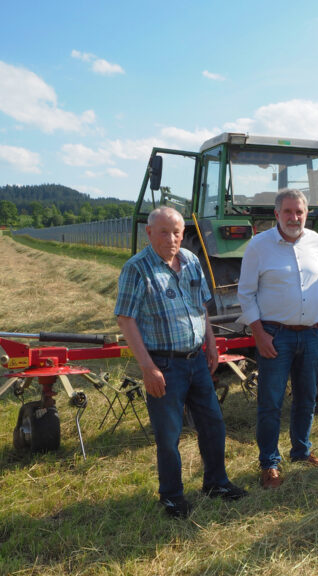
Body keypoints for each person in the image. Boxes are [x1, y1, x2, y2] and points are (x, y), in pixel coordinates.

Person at [115, 206, 247, 519]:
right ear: (149, 233)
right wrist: (148, 367)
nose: (172, 238)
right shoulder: (137, 269)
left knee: (213, 424)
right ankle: (172, 497)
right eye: (164, 232)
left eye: (177, 232)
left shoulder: (189, 261)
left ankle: (216, 482)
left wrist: (211, 344)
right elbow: (126, 319)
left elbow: (202, 306)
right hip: (165, 365)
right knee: (169, 434)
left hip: (196, 360)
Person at [237, 188, 318, 489]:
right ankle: (269, 463)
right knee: (271, 402)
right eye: (288, 212)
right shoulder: (259, 245)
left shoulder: (315, 240)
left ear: (306, 214)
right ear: (277, 214)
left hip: (308, 334)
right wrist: (259, 333)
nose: (294, 217)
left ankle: (301, 451)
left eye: (300, 212)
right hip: (274, 335)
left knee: (306, 397)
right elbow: (246, 292)